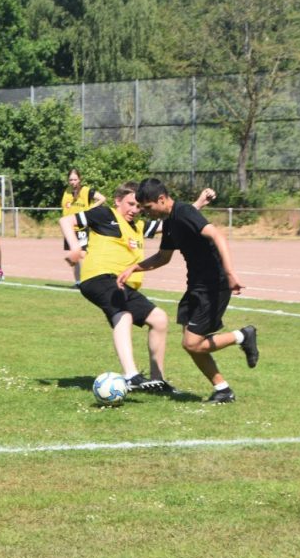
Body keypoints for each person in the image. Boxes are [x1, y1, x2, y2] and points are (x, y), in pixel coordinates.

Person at [61, 183, 214, 393]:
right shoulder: (105, 214)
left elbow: (171, 220)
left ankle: (156, 381)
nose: (134, 209)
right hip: (98, 277)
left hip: (121, 284)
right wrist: (76, 247)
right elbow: (66, 220)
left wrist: (198, 204)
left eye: (139, 206)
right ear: (117, 201)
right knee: (123, 315)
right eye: (130, 204)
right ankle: (131, 375)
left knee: (159, 319)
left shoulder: (139, 227)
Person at [117, 179, 258, 404]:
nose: (146, 212)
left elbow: (218, 235)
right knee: (191, 344)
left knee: (192, 343)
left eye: (148, 207)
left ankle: (243, 336)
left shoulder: (184, 212)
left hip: (214, 285)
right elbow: (163, 257)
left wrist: (230, 272)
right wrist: (134, 268)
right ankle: (222, 389)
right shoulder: (170, 222)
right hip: (195, 286)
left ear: (161, 199)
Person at [60, 168, 105, 285]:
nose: (73, 182)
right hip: (69, 230)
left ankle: (87, 280)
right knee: (74, 257)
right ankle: (78, 281)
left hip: (81, 228)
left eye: (75, 179)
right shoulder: (66, 192)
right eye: (70, 180)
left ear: (79, 179)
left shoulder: (86, 191)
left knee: (82, 254)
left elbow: (102, 198)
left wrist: (90, 209)